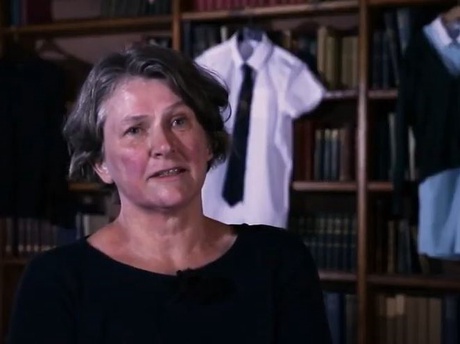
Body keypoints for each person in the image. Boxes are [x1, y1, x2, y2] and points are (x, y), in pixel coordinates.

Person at [7, 44, 332, 343]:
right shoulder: (55, 282)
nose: (163, 145)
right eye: (135, 130)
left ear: (207, 142)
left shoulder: (280, 260)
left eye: (178, 121)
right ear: (100, 163)